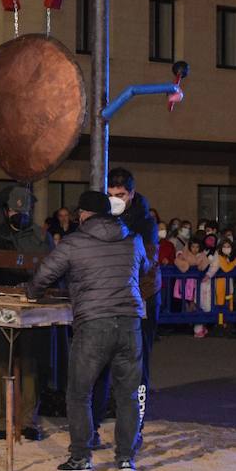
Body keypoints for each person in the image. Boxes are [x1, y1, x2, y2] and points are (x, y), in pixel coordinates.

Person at [26, 190, 151, 471]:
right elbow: (144, 269)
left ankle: (81, 457)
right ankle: (125, 459)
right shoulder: (133, 239)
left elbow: (44, 275)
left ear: (83, 214)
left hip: (94, 323)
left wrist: (31, 293)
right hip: (130, 322)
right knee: (128, 394)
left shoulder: (74, 242)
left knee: (80, 392)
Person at [0, 183, 53, 442]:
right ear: (5, 210)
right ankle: (2, 421)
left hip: (31, 305)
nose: (18, 214)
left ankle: (28, 420)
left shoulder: (41, 237)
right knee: (1, 363)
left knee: (31, 364)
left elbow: (50, 268)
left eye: (23, 209)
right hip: (0, 305)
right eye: (13, 210)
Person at [106, 168, 159, 391]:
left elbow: (146, 261)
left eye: (120, 196)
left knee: (139, 352)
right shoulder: (106, 217)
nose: (115, 201)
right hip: (114, 293)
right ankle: (113, 398)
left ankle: (138, 401)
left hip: (143, 293)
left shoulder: (145, 222)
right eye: (111, 196)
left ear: (132, 193)